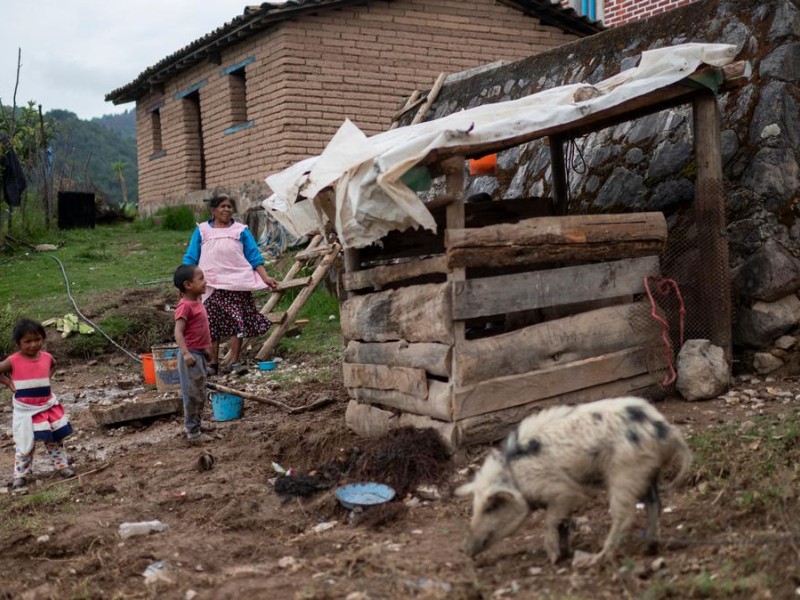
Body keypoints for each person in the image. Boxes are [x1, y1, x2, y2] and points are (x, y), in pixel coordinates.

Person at [183, 195, 278, 375]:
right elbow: (191, 257)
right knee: (211, 325)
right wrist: (184, 283)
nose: (227, 209)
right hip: (210, 285)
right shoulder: (202, 230)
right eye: (223, 206)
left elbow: (254, 256)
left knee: (237, 323)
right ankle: (212, 364)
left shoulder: (240, 230)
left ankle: (234, 361)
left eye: (229, 207)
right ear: (213, 210)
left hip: (237, 283)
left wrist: (265, 277)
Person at [0, 318, 74, 489]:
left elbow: (53, 365)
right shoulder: (13, 360)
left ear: (43, 338)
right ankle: (21, 475)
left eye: (37, 340)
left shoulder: (47, 357)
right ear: (18, 343)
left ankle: (62, 466)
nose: (33, 344)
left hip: (47, 406)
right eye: (28, 341)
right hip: (26, 410)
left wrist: (47, 377)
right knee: (26, 443)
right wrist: (8, 382)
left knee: (54, 439)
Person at [173, 264, 214, 443]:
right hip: (190, 357)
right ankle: (192, 431)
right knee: (192, 393)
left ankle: (196, 423)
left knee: (200, 391)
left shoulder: (197, 301)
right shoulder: (185, 306)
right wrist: (186, 354)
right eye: (201, 279)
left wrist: (205, 350)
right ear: (188, 285)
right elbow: (178, 332)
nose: (205, 282)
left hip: (199, 354)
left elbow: (198, 330)